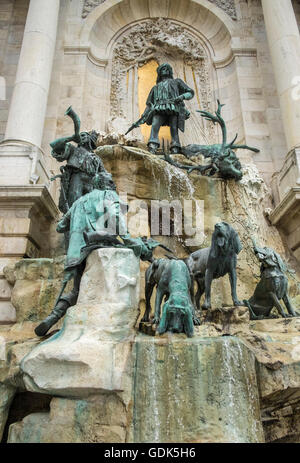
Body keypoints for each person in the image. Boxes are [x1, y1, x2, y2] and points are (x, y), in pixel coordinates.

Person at [140, 63, 194, 154]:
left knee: (174, 127)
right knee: (155, 124)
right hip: (159, 108)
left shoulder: (177, 82)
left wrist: (182, 97)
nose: (166, 70)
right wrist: (144, 115)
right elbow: (149, 104)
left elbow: (190, 92)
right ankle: (152, 145)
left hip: (173, 107)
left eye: (167, 69)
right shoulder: (155, 88)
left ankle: (175, 146)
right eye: (163, 69)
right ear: (159, 72)